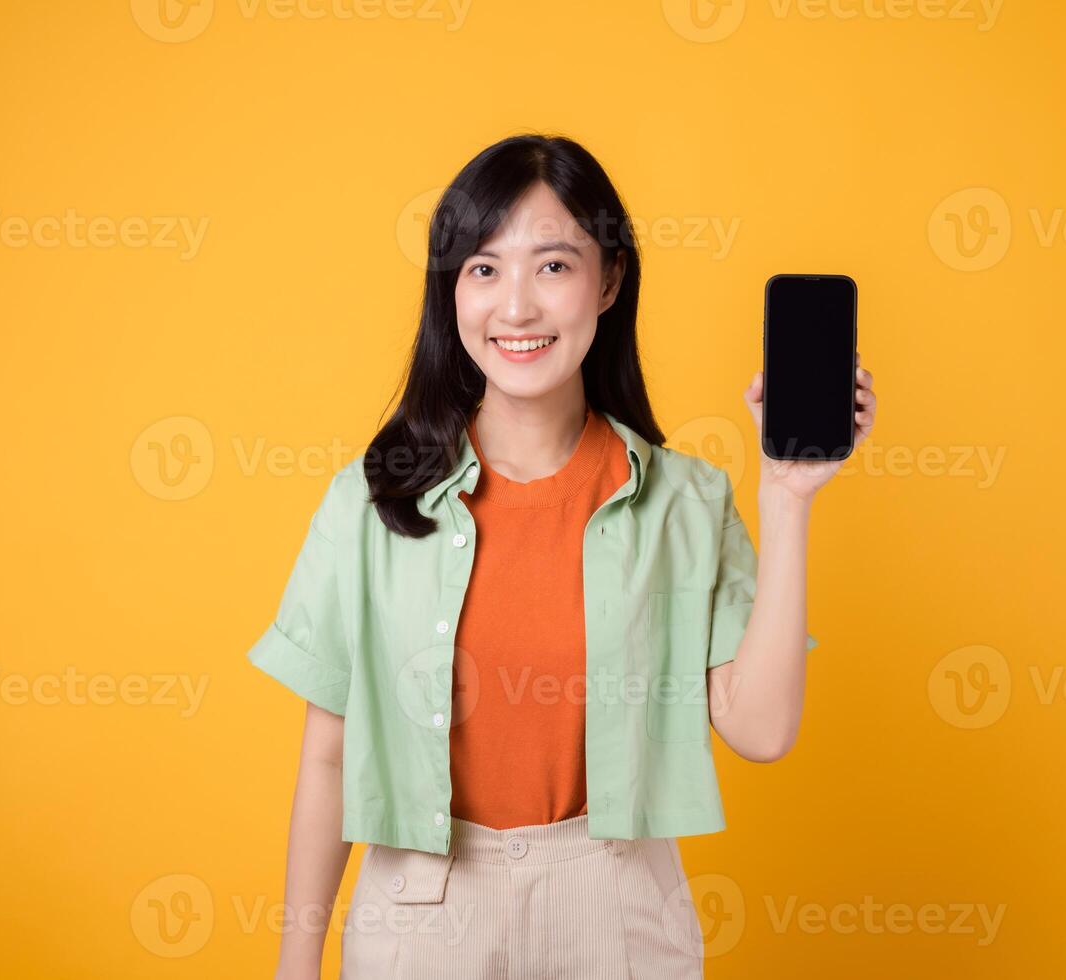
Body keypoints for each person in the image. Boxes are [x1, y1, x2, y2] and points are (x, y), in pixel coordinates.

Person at [249, 132, 877, 980]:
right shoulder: (369, 502)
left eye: (552, 265)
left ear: (609, 280)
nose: (516, 308)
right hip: (416, 915)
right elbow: (326, 754)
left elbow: (761, 730)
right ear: (452, 292)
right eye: (483, 268)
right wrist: (297, 961)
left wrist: (787, 498)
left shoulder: (685, 504)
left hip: (616, 912)